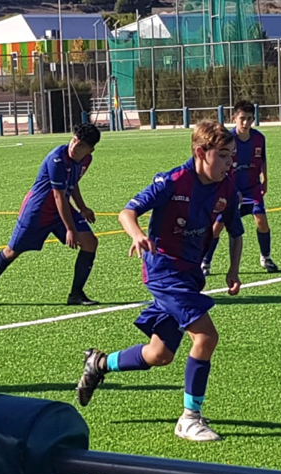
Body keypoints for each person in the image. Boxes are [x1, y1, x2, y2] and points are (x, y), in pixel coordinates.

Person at [76, 120, 243, 442]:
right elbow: (127, 212)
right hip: (164, 270)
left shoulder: (227, 187)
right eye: (222, 155)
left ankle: (99, 363)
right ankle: (190, 419)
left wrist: (233, 269)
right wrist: (138, 235)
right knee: (206, 337)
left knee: (159, 354)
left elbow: (236, 232)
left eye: (231, 155)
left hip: (190, 274)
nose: (229, 162)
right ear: (200, 152)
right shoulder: (173, 181)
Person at [0, 123, 102, 308]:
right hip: (37, 212)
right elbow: (58, 195)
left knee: (90, 242)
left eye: (80, 145)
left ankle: (76, 294)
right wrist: (70, 229)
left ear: (90, 150)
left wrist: (83, 207)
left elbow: (72, 183)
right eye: (73, 141)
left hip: (60, 209)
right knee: (12, 251)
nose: (74, 146)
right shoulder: (57, 158)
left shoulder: (85, 160)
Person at [201, 100, 278, 275]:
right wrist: (229, 190)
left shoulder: (259, 138)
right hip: (230, 189)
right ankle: (205, 262)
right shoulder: (228, 140)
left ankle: (265, 257)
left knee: (261, 220)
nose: (245, 123)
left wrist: (265, 180)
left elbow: (263, 160)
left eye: (249, 119)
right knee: (217, 226)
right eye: (242, 118)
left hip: (252, 188)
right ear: (234, 118)